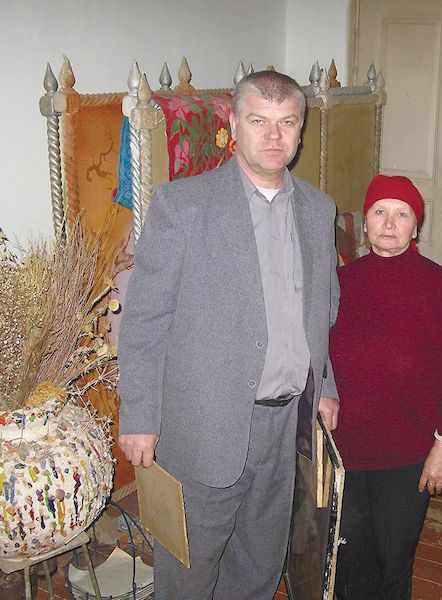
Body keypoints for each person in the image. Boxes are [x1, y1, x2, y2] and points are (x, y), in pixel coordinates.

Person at [117, 70, 340, 600]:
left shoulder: (317, 209)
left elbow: (320, 312)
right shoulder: (183, 206)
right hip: (203, 427)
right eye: (259, 121)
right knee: (189, 574)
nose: (274, 135)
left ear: (301, 130)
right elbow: (145, 321)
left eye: (287, 122)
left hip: (285, 427)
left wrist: (325, 385)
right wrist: (140, 416)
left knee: (259, 567)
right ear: (234, 125)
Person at [329, 174, 442, 600]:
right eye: (380, 212)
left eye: (402, 213)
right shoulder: (340, 283)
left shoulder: (441, 289)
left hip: (408, 453)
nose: (389, 223)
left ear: (416, 226)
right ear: (366, 221)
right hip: (345, 451)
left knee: (393, 558)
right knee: (348, 558)